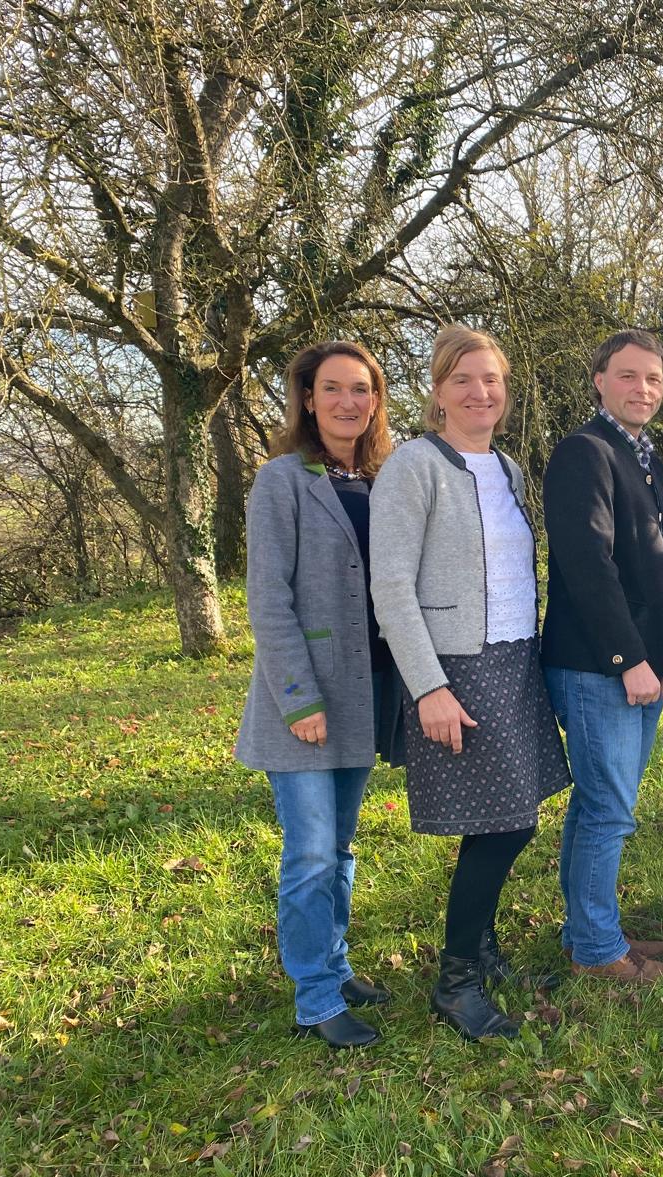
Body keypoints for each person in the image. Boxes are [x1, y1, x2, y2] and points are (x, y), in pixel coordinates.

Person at [371, 325, 570, 1040]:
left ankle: (480, 950)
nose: (480, 392)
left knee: (507, 816)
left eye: (491, 379)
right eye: (463, 380)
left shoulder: (507, 467)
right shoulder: (413, 466)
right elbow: (391, 587)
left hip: (515, 661)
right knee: (508, 821)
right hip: (458, 667)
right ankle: (455, 982)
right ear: (438, 391)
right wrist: (429, 688)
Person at [235, 340, 400, 1049]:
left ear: (376, 399)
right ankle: (315, 997)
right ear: (307, 398)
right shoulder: (282, 480)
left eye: (360, 389)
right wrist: (300, 700)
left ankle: (334, 964)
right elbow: (268, 599)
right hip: (302, 700)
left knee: (339, 847)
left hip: (364, 693)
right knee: (309, 854)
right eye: (332, 388)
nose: (347, 402)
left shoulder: (381, 480)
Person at [541, 330, 663, 984]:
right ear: (599, 380)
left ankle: (587, 931)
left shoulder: (645, 457)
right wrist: (629, 659)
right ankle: (599, 952)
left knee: (598, 804)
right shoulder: (585, 452)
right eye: (628, 376)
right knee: (608, 808)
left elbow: (659, 570)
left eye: (653, 379)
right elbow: (588, 566)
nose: (642, 389)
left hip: (639, 661)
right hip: (596, 663)